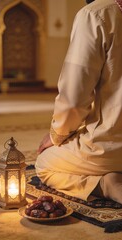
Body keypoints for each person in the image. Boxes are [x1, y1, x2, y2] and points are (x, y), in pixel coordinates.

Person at [35, 0, 122, 204]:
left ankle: (106, 185)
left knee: (45, 163)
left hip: (113, 146)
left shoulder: (96, 14)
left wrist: (58, 134)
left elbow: (75, 97)